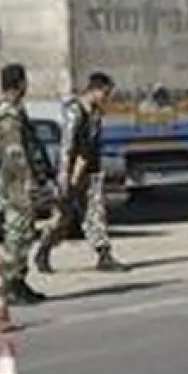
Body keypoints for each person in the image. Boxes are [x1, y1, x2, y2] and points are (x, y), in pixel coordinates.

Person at [33, 72, 130, 274]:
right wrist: (65, 177)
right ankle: (43, 250)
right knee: (62, 218)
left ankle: (104, 254)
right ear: (94, 90)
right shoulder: (75, 111)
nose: (107, 98)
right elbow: (67, 146)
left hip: (91, 170)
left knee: (95, 213)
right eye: (105, 93)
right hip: (71, 172)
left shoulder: (95, 113)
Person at [0, 63, 49, 304]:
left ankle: (19, 280)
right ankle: (11, 282)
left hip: (17, 180)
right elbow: (14, 151)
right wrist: (27, 180)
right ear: (20, 83)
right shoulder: (7, 112)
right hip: (15, 182)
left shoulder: (15, 109)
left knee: (24, 231)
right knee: (17, 232)